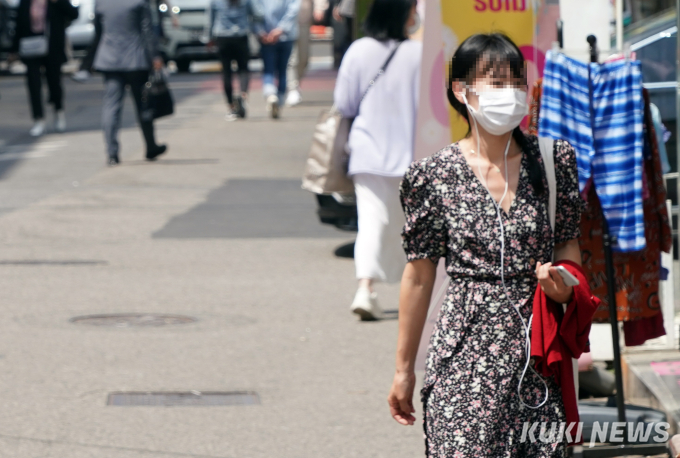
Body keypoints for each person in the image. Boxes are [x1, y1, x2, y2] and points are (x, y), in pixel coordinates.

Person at [387, 33, 586, 456]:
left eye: (517, 82)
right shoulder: (432, 176)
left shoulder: (554, 162)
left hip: (538, 354)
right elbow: (419, 277)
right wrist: (404, 370)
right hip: (463, 351)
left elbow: (569, 243)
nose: (509, 94)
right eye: (495, 83)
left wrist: (564, 286)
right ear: (462, 91)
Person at [333, 0, 421, 320]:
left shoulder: (358, 50)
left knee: (370, 221)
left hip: (367, 150)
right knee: (406, 227)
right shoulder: (419, 54)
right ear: (404, 13)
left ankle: (365, 287)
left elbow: (344, 103)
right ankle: (411, 290)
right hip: (412, 155)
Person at [92, 0, 167, 166]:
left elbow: (98, 31)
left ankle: (112, 153)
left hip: (109, 58)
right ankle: (150, 145)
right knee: (143, 103)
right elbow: (147, 31)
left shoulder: (101, 3)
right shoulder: (139, 2)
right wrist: (154, 56)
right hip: (135, 59)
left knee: (111, 106)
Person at [9, 0, 79, 137]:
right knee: (33, 84)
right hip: (31, 48)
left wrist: (58, 2)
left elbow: (73, 14)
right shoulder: (25, 2)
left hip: (52, 48)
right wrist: (14, 50)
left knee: (54, 83)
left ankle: (59, 112)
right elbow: (19, 24)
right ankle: (38, 119)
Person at [207, 0, 264, 121]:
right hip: (241, 36)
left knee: (226, 72)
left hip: (222, 37)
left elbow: (210, 19)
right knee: (243, 69)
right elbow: (258, 15)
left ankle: (231, 106)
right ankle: (243, 95)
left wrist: (209, 37)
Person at [257, 0, 301, 119]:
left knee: (268, 69)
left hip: (266, 35)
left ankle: (270, 94)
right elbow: (294, 9)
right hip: (286, 35)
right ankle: (280, 99)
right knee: (282, 69)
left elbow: (254, 11)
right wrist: (281, 29)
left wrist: (260, 32)